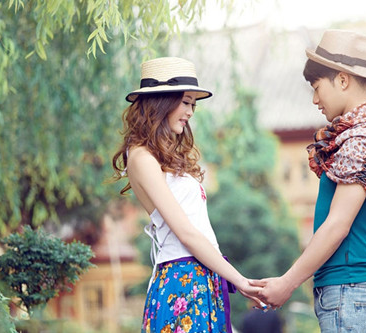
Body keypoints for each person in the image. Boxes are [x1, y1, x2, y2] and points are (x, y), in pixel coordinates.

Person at [252, 29, 366, 332]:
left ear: (342, 80)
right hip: (355, 292)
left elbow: (338, 224)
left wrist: (287, 283)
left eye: (317, 87)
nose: (314, 100)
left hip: (350, 292)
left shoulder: (362, 136)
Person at [112, 57, 261, 333]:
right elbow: (187, 233)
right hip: (182, 280)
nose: (191, 112)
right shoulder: (142, 157)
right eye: (185, 102)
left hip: (202, 276)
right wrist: (241, 281)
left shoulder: (166, 155)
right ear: (163, 101)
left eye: (193, 104)